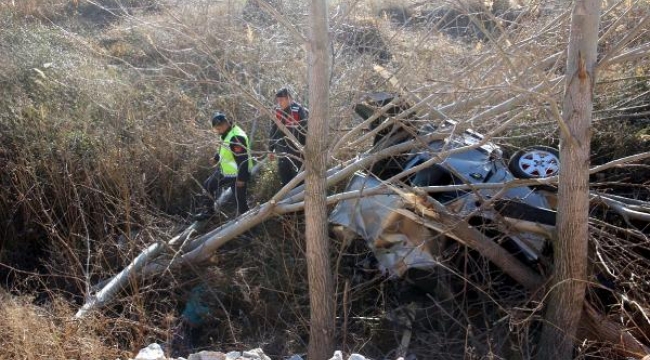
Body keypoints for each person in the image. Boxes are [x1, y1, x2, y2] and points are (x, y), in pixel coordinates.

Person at [195, 111, 252, 220]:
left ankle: (250, 227)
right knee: (208, 185)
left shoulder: (236, 137)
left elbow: (243, 160)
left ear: (225, 123)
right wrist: (216, 158)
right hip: (225, 172)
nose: (218, 130)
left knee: (240, 202)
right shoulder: (226, 134)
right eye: (216, 128)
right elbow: (225, 149)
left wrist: (241, 179)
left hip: (238, 175)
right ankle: (209, 212)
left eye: (219, 127)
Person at [268, 87, 309, 187]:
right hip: (281, 152)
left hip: (297, 154)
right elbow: (273, 131)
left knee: (299, 182)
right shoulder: (276, 111)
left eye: (281, 100)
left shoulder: (300, 110)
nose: (279, 103)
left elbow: (305, 132)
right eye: (278, 100)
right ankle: (288, 201)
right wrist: (270, 149)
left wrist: (306, 151)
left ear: (289, 98)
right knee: (285, 181)